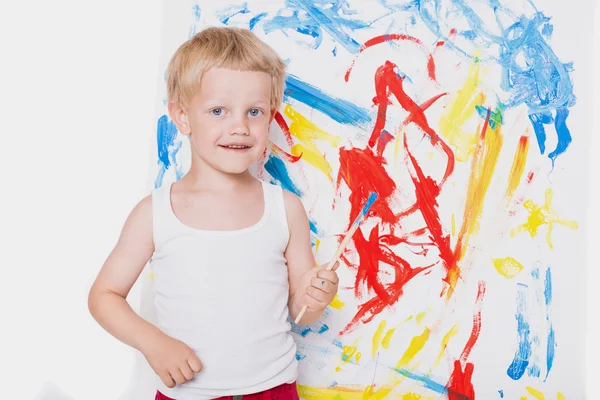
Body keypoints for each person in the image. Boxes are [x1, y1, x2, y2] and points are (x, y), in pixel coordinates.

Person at [87, 26, 340, 399]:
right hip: (188, 393)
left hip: (274, 388)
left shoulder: (285, 209)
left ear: (270, 116)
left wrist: (314, 296)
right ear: (183, 116)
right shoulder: (155, 213)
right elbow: (104, 296)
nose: (239, 126)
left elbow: (301, 309)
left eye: (254, 111)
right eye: (219, 110)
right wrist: (154, 343)